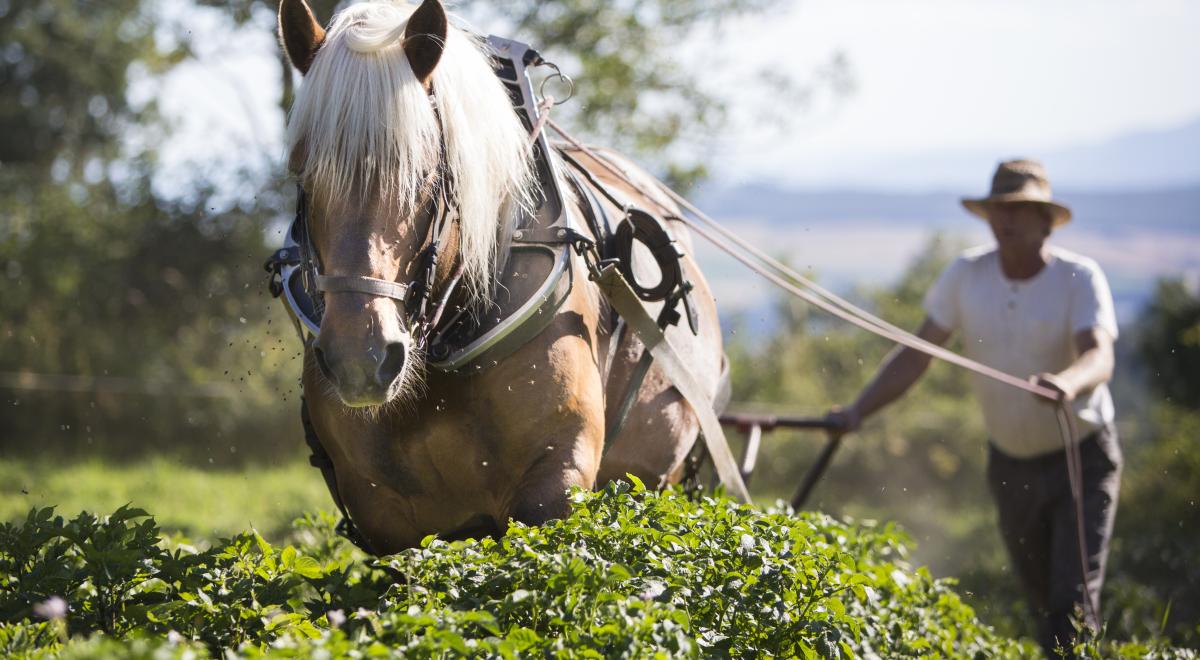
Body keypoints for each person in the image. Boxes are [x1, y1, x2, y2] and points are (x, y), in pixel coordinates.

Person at [827, 159, 1121, 657]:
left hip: (1082, 458)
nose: (1006, 221)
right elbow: (917, 354)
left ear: (1046, 221)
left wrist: (1067, 383)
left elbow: (1100, 354)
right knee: (1039, 601)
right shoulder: (967, 274)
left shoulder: (1078, 277)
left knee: (1072, 603)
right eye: (998, 211)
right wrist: (858, 410)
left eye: (1020, 211)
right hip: (1009, 462)